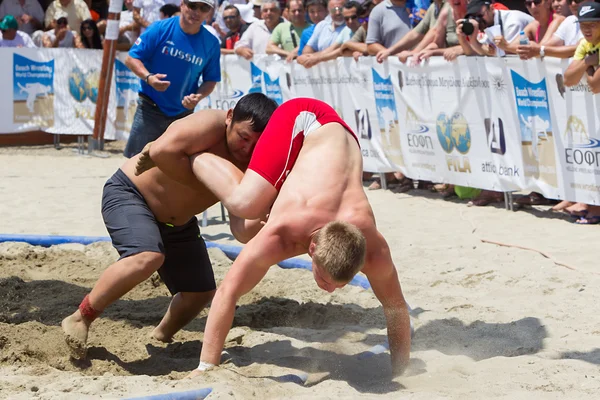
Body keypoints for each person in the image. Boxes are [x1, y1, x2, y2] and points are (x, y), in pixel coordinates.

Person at [184, 98, 412, 376]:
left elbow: (396, 307)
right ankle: (196, 155)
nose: (329, 290)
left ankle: (258, 182)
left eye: (339, 285)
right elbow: (227, 291)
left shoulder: (374, 250)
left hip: (340, 141)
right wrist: (206, 366)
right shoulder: (284, 230)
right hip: (306, 118)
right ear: (312, 248)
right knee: (245, 207)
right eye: (327, 280)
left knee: (245, 231)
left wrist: (401, 370)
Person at [60, 93, 279, 359]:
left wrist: (268, 219)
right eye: (243, 137)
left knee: (200, 292)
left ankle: (161, 336)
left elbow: (240, 225)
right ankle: (81, 318)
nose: (247, 149)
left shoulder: (254, 157)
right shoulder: (209, 124)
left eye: (255, 144)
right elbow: (161, 150)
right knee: (147, 256)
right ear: (230, 117)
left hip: (179, 222)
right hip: (131, 194)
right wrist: (203, 175)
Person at [123, 0, 220, 158]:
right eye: (192, 5)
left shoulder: (211, 43)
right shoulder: (160, 28)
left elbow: (210, 80)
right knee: (135, 164)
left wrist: (198, 96)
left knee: (172, 171)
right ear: (182, 5)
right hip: (150, 108)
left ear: (209, 12)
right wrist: (149, 78)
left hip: (183, 114)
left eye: (203, 8)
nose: (197, 12)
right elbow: (131, 58)